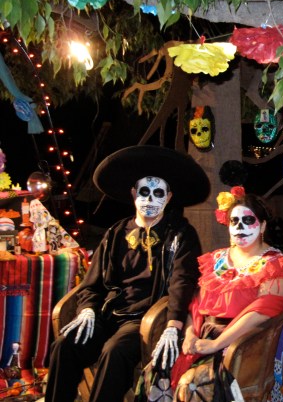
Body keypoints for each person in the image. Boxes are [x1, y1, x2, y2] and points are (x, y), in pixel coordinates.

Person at [44, 145, 210, 402]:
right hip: (109, 313)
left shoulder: (180, 234)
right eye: (144, 192)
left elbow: (182, 282)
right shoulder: (116, 233)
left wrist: (173, 325)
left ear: (168, 198)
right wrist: (87, 309)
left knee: (115, 351)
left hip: (144, 320)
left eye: (158, 193)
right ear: (133, 194)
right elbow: (92, 282)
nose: (150, 199)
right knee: (65, 345)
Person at [168, 186, 283, 401]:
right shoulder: (216, 259)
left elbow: (263, 311)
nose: (240, 227)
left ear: (263, 225)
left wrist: (217, 344)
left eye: (248, 220)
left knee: (192, 386)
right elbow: (196, 303)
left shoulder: (275, 264)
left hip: (242, 347)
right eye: (234, 221)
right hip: (202, 337)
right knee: (158, 368)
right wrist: (190, 334)